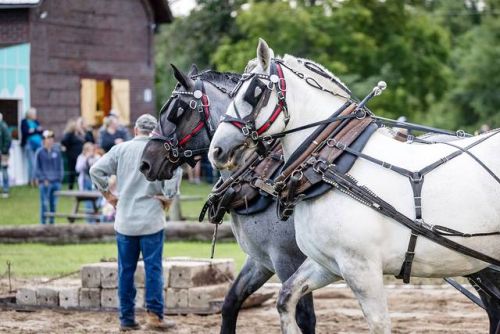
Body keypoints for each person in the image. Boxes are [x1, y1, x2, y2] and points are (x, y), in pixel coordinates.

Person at [90, 114, 181, 331]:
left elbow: (96, 170)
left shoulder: (121, 150)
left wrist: (109, 196)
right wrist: (168, 196)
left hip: (125, 219)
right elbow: (175, 172)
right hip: (151, 218)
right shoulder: (161, 149)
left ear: (135, 130)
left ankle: (126, 319)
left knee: (125, 271)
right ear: (154, 131)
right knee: (153, 269)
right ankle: (154, 316)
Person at [34, 130, 64, 225]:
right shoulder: (39, 152)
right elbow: (37, 168)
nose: (50, 140)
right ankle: (43, 223)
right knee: (44, 204)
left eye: (51, 138)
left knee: (53, 204)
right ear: (43, 140)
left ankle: (51, 223)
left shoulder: (57, 152)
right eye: (48, 138)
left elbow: (60, 166)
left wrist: (59, 179)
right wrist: (43, 179)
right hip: (45, 183)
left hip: (55, 182)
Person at [62, 118, 95, 189]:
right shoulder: (71, 134)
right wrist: (65, 148)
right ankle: (70, 188)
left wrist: (83, 133)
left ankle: (84, 187)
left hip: (84, 157)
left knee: (85, 172)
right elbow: (64, 141)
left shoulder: (86, 133)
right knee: (72, 172)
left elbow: (91, 141)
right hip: (72, 157)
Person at [76, 142, 101, 223]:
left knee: (96, 202)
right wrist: (86, 159)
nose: (91, 152)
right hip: (85, 181)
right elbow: (78, 169)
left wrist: (93, 160)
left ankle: (95, 221)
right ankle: (89, 222)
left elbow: (99, 168)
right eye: (89, 150)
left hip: (94, 181)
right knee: (88, 203)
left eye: (92, 150)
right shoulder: (81, 157)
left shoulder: (97, 157)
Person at [21, 108, 43, 185]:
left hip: (38, 144)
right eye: (34, 114)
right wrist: (36, 130)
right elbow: (26, 132)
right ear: (30, 115)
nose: (35, 115)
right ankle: (31, 180)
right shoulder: (24, 122)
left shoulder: (36, 121)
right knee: (32, 163)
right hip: (29, 144)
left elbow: (41, 130)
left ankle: (37, 180)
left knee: (38, 163)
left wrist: (33, 130)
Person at [0, 113, 12, 198]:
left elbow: (8, 139)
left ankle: (6, 190)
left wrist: (3, 150)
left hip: (3, 153)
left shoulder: (3, 127)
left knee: (4, 170)